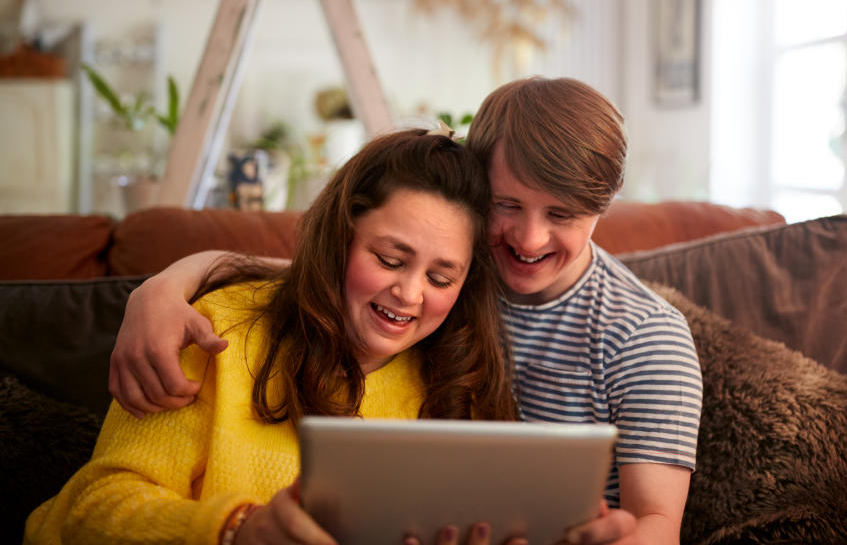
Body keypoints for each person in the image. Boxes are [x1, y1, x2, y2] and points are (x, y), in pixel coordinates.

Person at [109, 77, 703, 545]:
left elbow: (657, 525)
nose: (527, 238)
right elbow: (320, 277)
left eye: (563, 216)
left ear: (604, 207)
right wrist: (162, 287)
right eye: (507, 205)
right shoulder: (461, 277)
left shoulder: (643, 337)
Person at [24, 129, 516, 545]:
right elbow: (96, 505)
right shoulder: (218, 328)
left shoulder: (459, 378)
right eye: (389, 259)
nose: (409, 294)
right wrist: (234, 530)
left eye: (440, 279)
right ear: (340, 238)